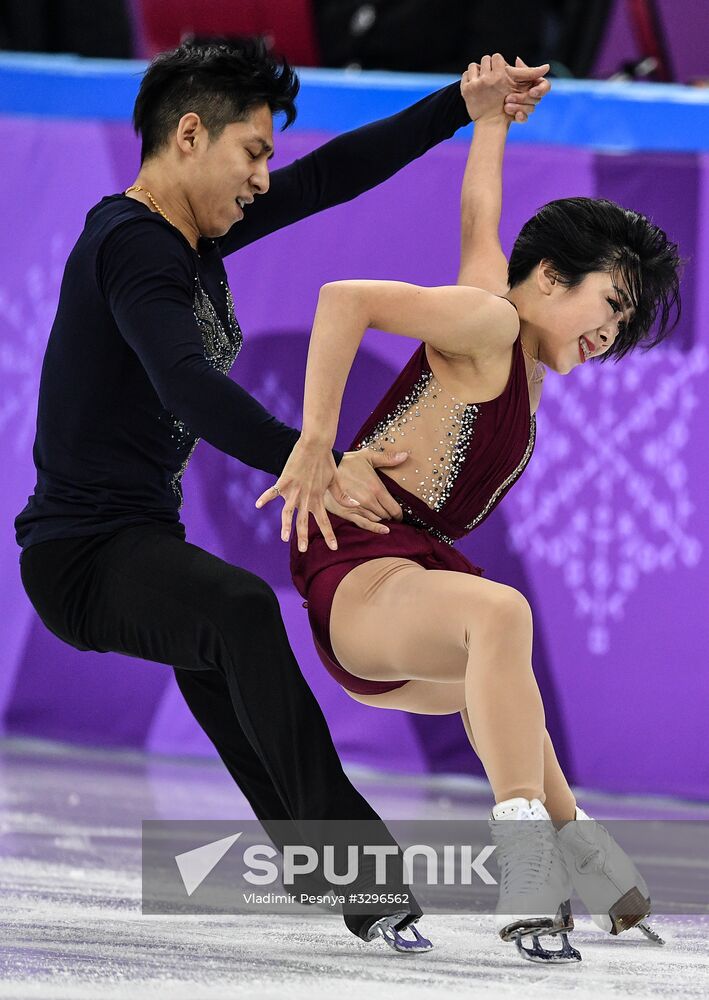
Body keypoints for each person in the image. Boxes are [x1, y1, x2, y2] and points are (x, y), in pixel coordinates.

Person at [14, 39, 550, 952]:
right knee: (236, 612)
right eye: (252, 153)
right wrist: (307, 455)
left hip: (135, 539)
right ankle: (357, 870)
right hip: (80, 555)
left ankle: (336, 876)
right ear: (189, 136)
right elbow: (187, 381)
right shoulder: (133, 246)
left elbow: (332, 175)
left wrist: (462, 106)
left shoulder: (193, 234)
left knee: (225, 649)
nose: (265, 177)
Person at [262, 54, 681, 962]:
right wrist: (316, 446)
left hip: (404, 586)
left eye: (620, 326)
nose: (606, 337)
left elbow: (479, 221)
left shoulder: (506, 336)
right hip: (362, 575)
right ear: (547, 279)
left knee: (507, 694)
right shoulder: (491, 326)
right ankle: (531, 871)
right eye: (605, 305)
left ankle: (592, 862)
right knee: (501, 614)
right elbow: (345, 300)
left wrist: (488, 119)